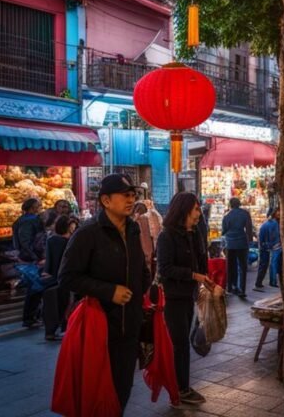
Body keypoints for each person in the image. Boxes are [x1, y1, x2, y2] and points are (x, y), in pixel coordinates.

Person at [58, 173, 151, 413]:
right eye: (125, 195)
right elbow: (67, 276)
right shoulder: (88, 233)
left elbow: (140, 267)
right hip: (100, 328)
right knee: (99, 394)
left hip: (129, 327)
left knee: (122, 390)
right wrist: (109, 291)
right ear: (106, 201)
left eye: (133, 195)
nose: (130, 200)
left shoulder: (132, 229)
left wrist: (145, 283)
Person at [156, 192, 212, 406]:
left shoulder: (195, 232)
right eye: (196, 209)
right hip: (173, 297)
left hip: (190, 294)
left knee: (182, 344)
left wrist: (204, 280)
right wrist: (192, 275)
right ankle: (180, 389)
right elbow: (165, 269)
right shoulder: (167, 235)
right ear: (185, 210)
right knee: (179, 344)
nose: (199, 213)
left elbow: (201, 259)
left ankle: (181, 386)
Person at [13, 197, 45, 328]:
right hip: (31, 259)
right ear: (32, 208)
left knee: (35, 288)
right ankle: (29, 318)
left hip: (28, 257)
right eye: (38, 205)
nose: (40, 207)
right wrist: (35, 257)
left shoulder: (20, 220)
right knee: (35, 288)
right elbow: (25, 242)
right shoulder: (30, 220)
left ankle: (33, 316)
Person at [41, 215, 74, 340]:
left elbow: (49, 261)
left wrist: (47, 272)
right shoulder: (69, 241)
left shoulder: (51, 240)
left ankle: (51, 330)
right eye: (72, 224)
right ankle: (65, 328)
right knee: (64, 303)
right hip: (65, 277)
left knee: (52, 306)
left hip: (54, 277)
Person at [221, 198, 253, 296]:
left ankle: (231, 287)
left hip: (230, 243)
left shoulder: (227, 216)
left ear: (230, 205)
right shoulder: (245, 214)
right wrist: (250, 240)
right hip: (242, 243)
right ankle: (242, 289)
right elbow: (249, 229)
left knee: (231, 266)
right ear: (239, 204)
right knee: (243, 267)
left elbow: (223, 231)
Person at [256, 208, 281, 289]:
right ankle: (272, 281)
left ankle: (259, 282)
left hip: (265, 246)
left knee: (264, 265)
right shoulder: (274, 223)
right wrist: (274, 245)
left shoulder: (267, 223)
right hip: (272, 246)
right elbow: (274, 236)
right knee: (272, 264)